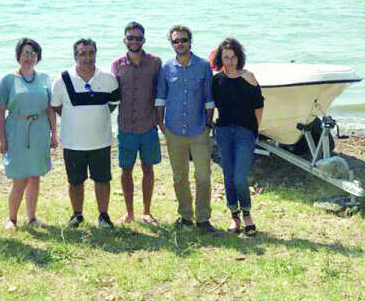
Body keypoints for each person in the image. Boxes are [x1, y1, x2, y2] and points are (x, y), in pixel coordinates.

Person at [51, 38, 120, 229]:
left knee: (103, 180)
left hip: (101, 141)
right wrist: (75, 118)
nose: (87, 57)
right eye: (82, 53)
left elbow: (113, 103)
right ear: (75, 56)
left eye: (91, 53)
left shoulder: (108, 78)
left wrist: (94, 115)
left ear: (96, 54)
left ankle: (103, 216)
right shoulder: (62, 79)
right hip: (73, 142)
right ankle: (77, 214)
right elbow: (56, 106)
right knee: (75, 181)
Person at [155, 25, 216, 232]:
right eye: (176, 41)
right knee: (179, 177)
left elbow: (209, 99)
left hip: (199, 130)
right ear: (171, 44)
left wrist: (208, 125)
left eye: (183, 40)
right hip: (173, 130)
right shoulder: (166, 67)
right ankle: (186, 216)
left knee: (203, 176)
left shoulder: (203, 66)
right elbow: (160, 98)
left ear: (190, 41)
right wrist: (161, 124)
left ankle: (203, 218)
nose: (180, 44)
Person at [0, 38, 58, 229]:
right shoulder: (8, 79)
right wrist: (2, 139)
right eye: (25, 53)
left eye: (33, 53)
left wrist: (54, 133)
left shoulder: (44, 78)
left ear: (38, 57)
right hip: (16, 129)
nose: (29, 57)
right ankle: (12, 218)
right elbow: (0, 111)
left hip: (39, 128)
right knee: (20, 177)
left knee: (35, 175)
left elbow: (50, 109)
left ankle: (32, 218)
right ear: (18, 56)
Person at [211, 38, 264, 235]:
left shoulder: (248, 77)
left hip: (245, 132)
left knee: (240, 177)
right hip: (224, 131)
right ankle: (234, 216)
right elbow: (209, 105)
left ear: (238, 57)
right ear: (221, 58)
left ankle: (247, 214)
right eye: (226, 57)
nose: (230, 61)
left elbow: (259, 106)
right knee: (228, 175)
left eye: (233, 57)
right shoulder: (216, 80)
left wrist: (254, 130)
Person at [111, 21, 162, 224]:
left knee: (148, 168)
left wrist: (162, 121)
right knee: (126, 170)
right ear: (124, 40)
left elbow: (161, 93)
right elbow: (112, 95)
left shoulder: (155, 63)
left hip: (148, 125)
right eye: (130, 37)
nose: (134, 41)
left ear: (144, 40)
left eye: (138, 38)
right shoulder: (117, 65)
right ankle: (129, 212)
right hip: (125, 126)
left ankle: (147, 211)